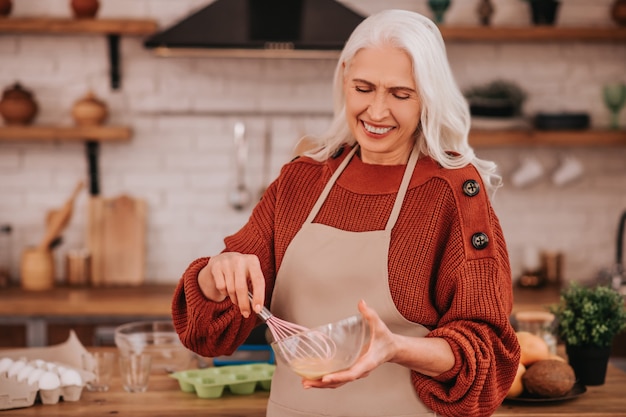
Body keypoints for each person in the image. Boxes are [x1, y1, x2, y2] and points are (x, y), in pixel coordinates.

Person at [172, 8, 520, 417]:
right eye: (364, 88)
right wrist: (215, 275)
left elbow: (490, 353)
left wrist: (396, 348)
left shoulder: (454, 191)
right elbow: (208, 334)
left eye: (400, 94)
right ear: (343, 81)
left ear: (428, 95)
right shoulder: (300, 180)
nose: (376, 111)